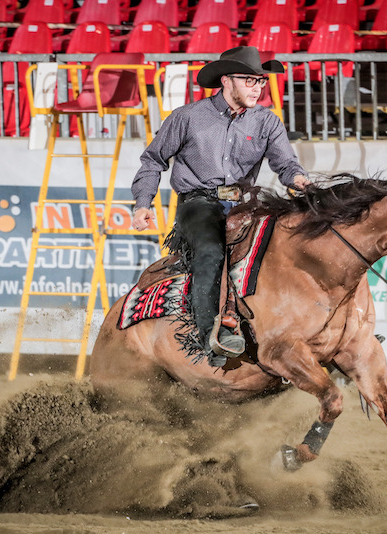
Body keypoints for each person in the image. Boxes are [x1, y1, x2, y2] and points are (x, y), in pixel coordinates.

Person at [130, 46, 309, 368]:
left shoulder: (266, 121)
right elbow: (153, 160)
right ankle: (210, 337)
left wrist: (298, 179)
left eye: (260, 81)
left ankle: (321, 328)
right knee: (211, 254)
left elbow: (286, 164)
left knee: (294, 243)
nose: (258, 87)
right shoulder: (188, 117)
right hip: (199, 202)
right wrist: (144, 203)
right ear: (227, 81)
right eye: (250, 81)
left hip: (247, 203)